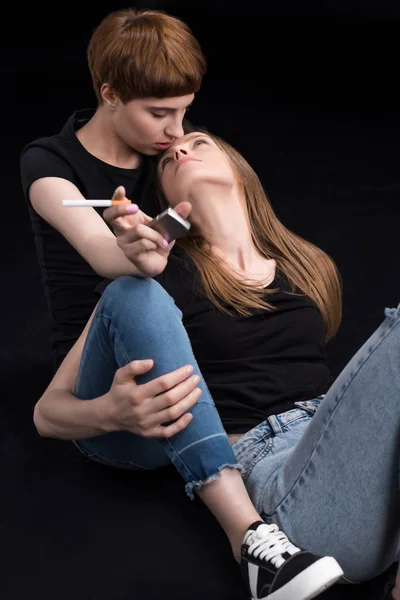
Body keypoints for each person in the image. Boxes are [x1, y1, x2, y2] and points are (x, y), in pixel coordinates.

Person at [32, 129, 400, 600]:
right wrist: (110, 412)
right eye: (166, 160)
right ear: (164, 200)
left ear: (238, 169)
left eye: (199, 142)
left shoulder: (309, 266)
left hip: (346, 465)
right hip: (276, 475)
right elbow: (46, 414)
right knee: (133, 290)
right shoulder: (160, 276)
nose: (180, 149)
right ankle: (252, 546)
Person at [19, 7, 206, 371]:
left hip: (185, 340)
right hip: (97, 360)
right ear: (111, 95)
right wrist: (157, 235)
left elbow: (209, 215)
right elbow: (103, 254)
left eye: (183, 111)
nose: (177, 132)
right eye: (158, 114)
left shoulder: (172, 150)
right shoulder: (48, 163)